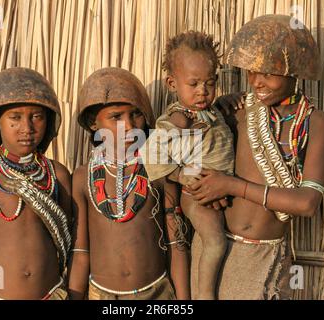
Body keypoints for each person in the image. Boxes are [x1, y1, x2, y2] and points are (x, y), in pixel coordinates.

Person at [189, 14, 324, 299]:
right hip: (212, 248)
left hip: (265, 256)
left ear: (294, 71)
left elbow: (307, 203)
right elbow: (194, 150)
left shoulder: (317, 123)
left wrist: (232, 186)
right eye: (251, 72)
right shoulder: (239, 109)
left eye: (267, 73)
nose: (256, 82)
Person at [67, 67, 190, 300]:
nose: (130, 126)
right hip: (101, 296)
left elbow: (177, 243)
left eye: (136, 114)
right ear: (93, 123)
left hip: (158, 293)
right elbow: (81, 251)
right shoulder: (83, 178)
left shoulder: (160, 171)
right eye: (116, 117)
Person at [0, 67, 72, 300]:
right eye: (15, 117)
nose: (27, 128)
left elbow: (72, 250)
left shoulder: (57, 175)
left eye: (37, 116)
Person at [141, 31, 235, 299]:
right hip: (198, 193)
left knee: (213, 241)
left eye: (210, 83)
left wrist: (227, 101)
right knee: (215, 243)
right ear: (172, 83)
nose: (202, 91)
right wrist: (184, 176)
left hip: (215, 187)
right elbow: (153, 153)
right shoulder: (180, 119)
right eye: (193, 84)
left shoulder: (208, 110)